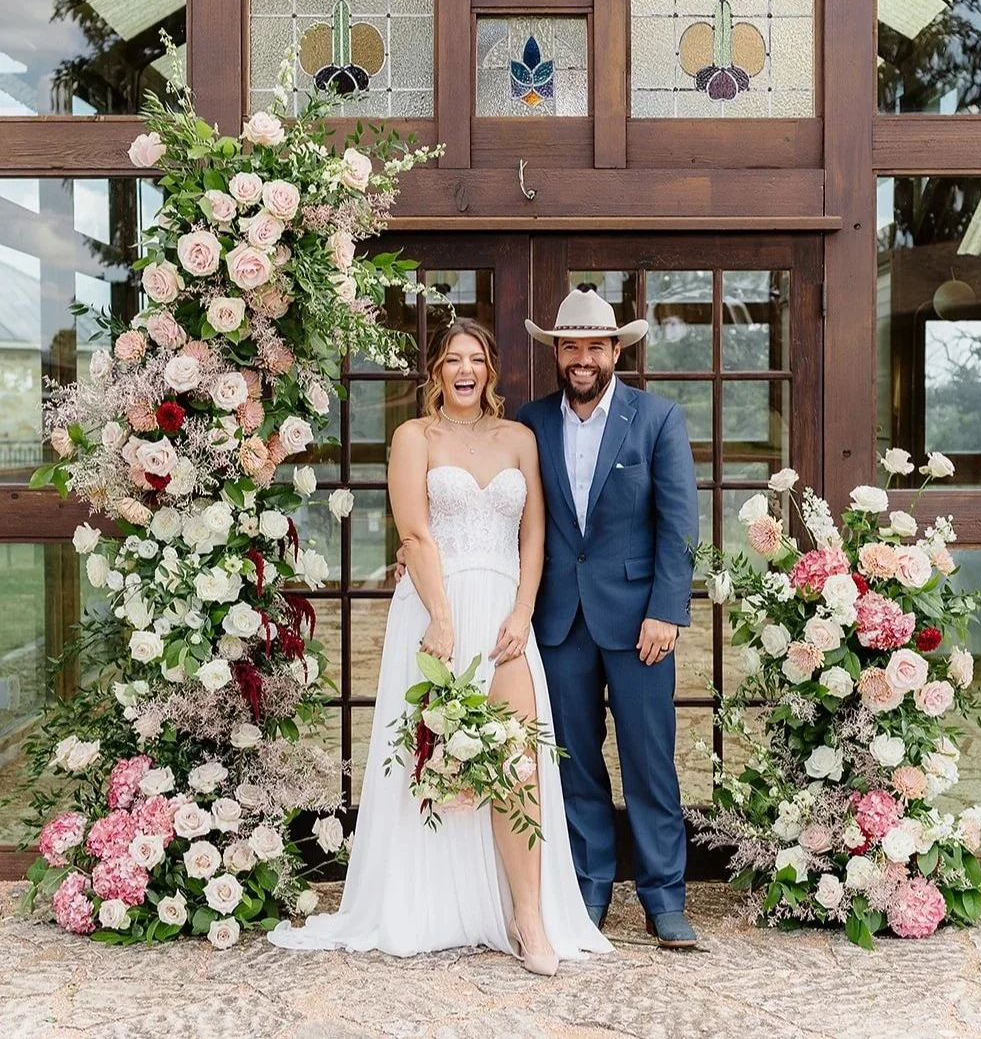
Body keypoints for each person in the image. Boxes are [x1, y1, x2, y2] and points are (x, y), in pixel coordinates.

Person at [268, 318, 612, 974]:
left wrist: (520, 611)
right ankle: (427, 904)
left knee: (517, 760)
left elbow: (534, 535)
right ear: (435, 370)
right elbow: (415, 533)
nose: (463, 369)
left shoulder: (518, 438)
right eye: (452, 359)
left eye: (475, 359)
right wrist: (443, 618)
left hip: (506, 613)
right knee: (432, 758)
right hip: (434, 610)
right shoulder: (412, 437)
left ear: (489, 370)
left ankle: (528, 916)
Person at [517, 289, 700, 948]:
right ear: (557, 353)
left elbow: (678, 523)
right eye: (570, 346)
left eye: (595, 345)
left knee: (649, 760)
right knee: (573, 761)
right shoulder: (529, 422)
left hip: (639, 624)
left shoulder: (656, 418)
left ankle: (662, 895)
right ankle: (588, 884)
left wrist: (666, 610)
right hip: (558, 620)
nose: (582, 358)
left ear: (616, 350)